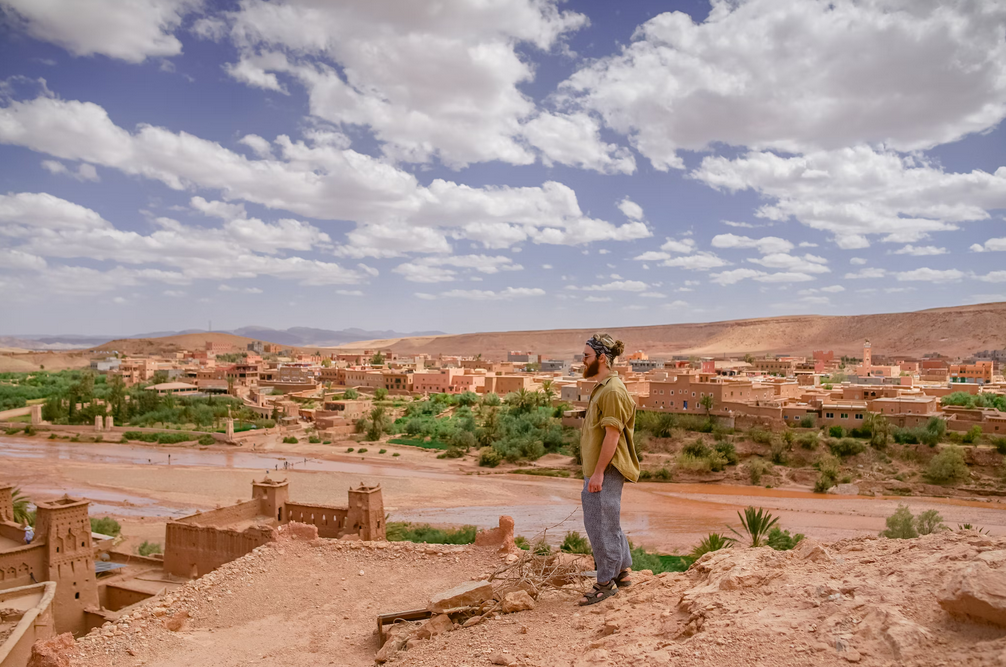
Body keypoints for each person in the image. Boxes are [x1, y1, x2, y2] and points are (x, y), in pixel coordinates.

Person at [577, 333, 639, 606]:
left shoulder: (612, 391)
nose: (583, 360)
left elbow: (612, 436)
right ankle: (622, 571)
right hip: (601, 467)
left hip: (606, 468)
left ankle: (605, 583)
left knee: (600, 526)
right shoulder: (604, 387)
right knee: (607, 521)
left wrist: (599, 473)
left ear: (601, 358)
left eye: (587, 356)